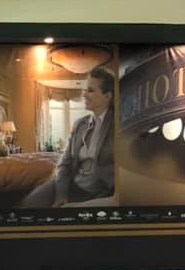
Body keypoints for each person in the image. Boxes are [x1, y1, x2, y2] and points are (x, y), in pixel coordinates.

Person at [21, 66, 115, 207]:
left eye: (90, 90)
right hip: (69, 185)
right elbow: (65, 163)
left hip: (98, 193)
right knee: (27, 205)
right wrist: (61, 194)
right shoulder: (79, 124)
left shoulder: (118, 124)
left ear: (107, 96)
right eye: (85, 89)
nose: (84, 94)